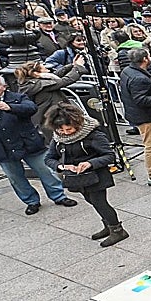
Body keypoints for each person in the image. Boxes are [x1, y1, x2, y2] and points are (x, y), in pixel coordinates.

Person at [0, 73, 76, 214]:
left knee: (46, 171)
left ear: (4, 87)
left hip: (28, 143)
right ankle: (31, 201)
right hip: (2, 148)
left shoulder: (17, 97)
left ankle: (58, 196)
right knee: (16, 178)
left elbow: (31, 108)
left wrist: (9, 107)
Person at [43, 102, 126, 247]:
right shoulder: (58, 138)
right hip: (77, 178)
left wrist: (90, 163)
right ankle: (108, 225)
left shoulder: (93, 135)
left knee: (100, 203)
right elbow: (49, 158)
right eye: (61, 129)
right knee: (91, 201)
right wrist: (61, 166)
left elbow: (109, 156)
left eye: (68, 129)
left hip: (96, 176)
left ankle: (117, 230)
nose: (65, 132)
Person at [118, 47, 151, 186]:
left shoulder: (128, 71)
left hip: (137, 114)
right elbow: (141, 100)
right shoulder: (138, 78)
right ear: (145, 59)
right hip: (146, 116)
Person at [13, 55, 85, 137]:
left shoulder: (34, 82)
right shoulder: (40, 85)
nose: (47, 69)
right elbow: (65, 81)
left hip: (51, 116)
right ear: (36, 74)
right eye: (44, 68)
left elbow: (54, 76)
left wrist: (72, 65)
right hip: (50, 119)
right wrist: (79, 67)